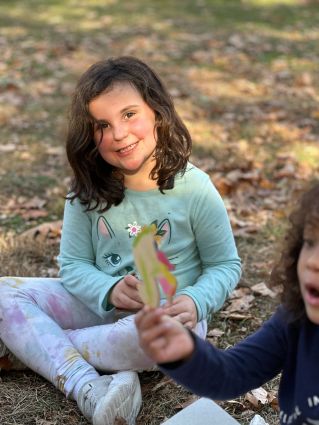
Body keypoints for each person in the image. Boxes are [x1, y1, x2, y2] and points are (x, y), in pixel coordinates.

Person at [0, 56, 241, 425]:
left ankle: (33, 344)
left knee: (167, 334)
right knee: (4, 293)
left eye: (129, 114)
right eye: (102, 125)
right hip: (99, 306)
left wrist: (195, 300)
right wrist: (110, 289)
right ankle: (87, 386)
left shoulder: (195, 189)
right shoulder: (86, 192)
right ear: (89, 134)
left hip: (170, 319)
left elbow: (226, 265)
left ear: (157, 111)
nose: (118, 133)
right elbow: (73, 266)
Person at [136, 182, 319, 425]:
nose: (313, 262)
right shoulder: (294, 322)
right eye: (310, 242)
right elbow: (232, 374)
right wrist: (185, 352)